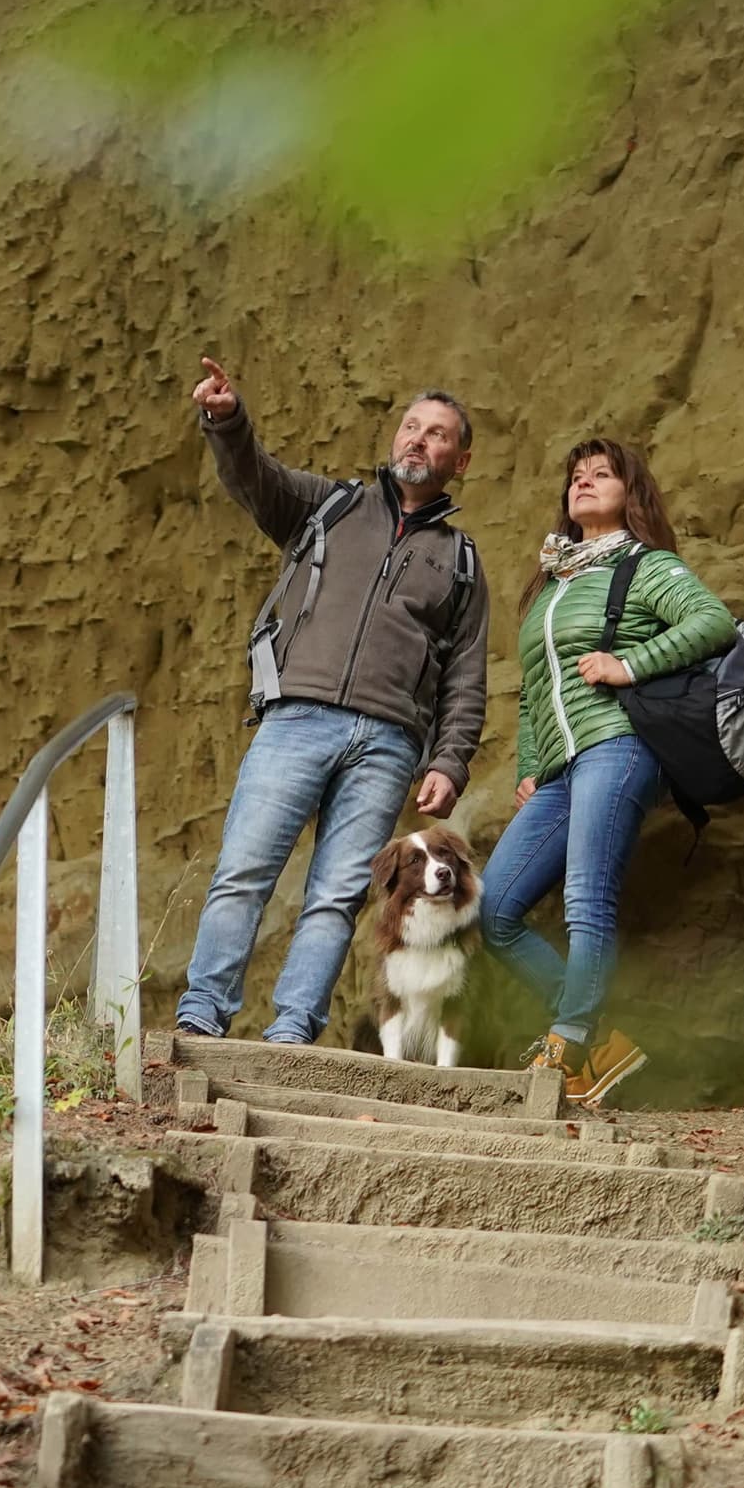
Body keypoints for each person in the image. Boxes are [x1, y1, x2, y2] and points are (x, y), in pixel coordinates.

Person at [172, 356, 491, 1047]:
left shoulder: (461, 560)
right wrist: (226, 420)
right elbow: (257, 478)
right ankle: (202, 1017)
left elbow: (465, 673)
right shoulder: (331, 506)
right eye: (411, 426)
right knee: (244, 871)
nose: (417, 440)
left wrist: (451, 761)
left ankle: (293, 1033)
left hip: (389, 742)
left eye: (437, 435)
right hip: (297, 716)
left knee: (338, 898)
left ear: (458, 460)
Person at [479, 435, 734, 1101]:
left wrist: (629, 664)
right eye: (576, 478)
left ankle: (569, 1041)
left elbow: (713, 622)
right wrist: (531, 767)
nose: (584, 484)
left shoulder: (646, 565)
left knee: (587, 898)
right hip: (561, 769)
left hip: (620, 747)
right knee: (496, 910)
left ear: (632, 494)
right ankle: (599, 1039)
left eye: (601, 475)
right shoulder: (551, 585)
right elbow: (536, 691)